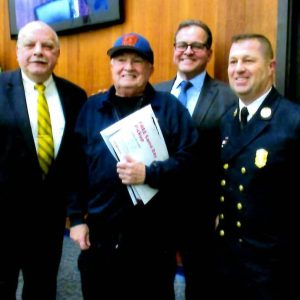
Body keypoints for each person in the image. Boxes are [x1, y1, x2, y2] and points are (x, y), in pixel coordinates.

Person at [67, 32, 199, 300]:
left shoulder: (171, 109)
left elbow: (190, 163)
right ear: (111, 66)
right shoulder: (92, 108)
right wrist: (77, 219)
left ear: (150, 68)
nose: (128, 67)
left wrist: (149, 174)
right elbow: (75, 168)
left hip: (153, 239)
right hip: (100, 238)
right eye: (120, 60)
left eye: (137, 61)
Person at [0, 21, 87, 299]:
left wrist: (75, 216)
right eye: (30, 45)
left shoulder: (75, 96)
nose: (39, 51)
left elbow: (75, 161)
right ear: (17, 52)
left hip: (48, 221)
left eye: (47, 46)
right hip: (2, 219)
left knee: (42, 288)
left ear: (57, 54)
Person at [155, 19, 237, 299]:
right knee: (155, 281)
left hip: (202, 212)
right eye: (182, 45)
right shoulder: (152, 92)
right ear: (174, 49)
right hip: (157, 207)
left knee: (202, 283)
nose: (188, 51)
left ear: (209, 53)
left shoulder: (229, 97)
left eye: (197, 46)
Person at [215, 33, 300, 299]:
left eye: (248, 60)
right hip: (228, 262)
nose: (238, 68)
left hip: (273, 267)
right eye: (233, 61)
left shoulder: (293, 120)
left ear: (271, 67)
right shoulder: (227, 120)